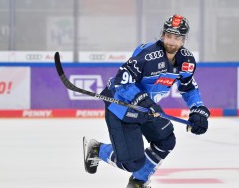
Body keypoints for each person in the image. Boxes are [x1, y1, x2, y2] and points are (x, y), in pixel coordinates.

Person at [83, 14, 210, 188]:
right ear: (163, 34)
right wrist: (144, 101)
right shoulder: (148, 56)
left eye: (177, 37)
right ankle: (97, 149)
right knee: (132, 163)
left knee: (165, 141)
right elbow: (122, 82)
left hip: (147, 109)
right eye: (169, 35)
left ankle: (138, 181)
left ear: (184, 39)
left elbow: (188, 87)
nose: (172, 41)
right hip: (121, 107)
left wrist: (198, 109)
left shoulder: (187, 61)